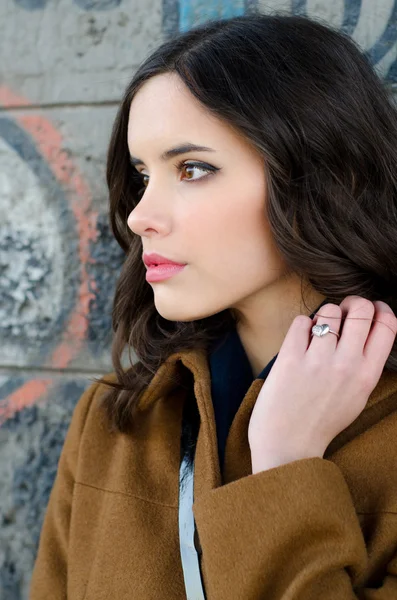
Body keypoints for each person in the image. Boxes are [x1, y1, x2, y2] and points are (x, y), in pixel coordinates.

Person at [30, 12, 397, 599]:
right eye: (143, 174)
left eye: (193, 169)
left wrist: (283, 467)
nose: (139, 214)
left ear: (324, 179)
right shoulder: (114, 420)